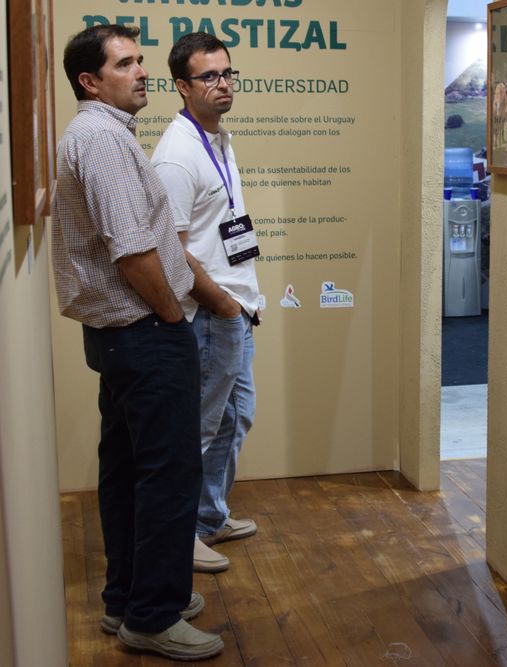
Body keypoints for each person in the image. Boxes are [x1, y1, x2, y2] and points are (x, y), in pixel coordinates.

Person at [52, 25, 223, 660]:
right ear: (90, 81)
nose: (141, 71)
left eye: (141, 60)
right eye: (125, 64)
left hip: (125, 335)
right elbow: (134, 250)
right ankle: (152, 615)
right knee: (168, 474)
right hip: (146, 331)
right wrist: (174, 321)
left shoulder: (99, 134)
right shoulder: (100, 140)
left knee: (128, 469)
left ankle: (131, 599)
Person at [152, 32, 261, 574]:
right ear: (182, 86)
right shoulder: (177, 154)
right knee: (198, 427)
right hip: (210, 315)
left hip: (233, 309)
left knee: (234, 418)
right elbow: (170, 249)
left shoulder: (217, 138)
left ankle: (210, 516)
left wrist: (240, 302)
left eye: (227, 73)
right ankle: (184, 533)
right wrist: (220, 303)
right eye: (209, 76)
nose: (223, 84)